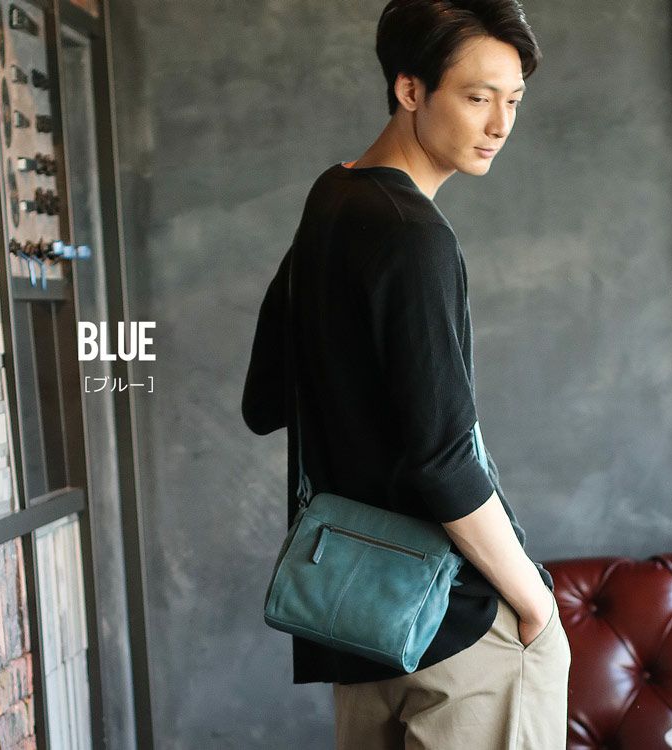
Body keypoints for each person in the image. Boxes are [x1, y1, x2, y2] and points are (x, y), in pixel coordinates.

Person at [241, 0, 571, 747]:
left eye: (514, 100)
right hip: (458, 631)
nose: (500, 125)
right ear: (410, 89)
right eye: (478, 97)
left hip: (361, 624)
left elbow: (265, 402)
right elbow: (443, 460)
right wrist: (536, 604)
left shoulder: (333, 198)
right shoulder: (415, 238)